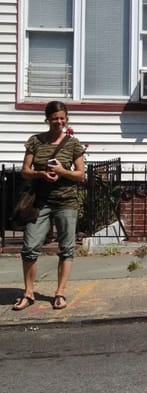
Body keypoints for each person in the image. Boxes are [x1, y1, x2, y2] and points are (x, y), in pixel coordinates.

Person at [12, 101, 86, 311]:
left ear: (66, 119)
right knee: (29, 248)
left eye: (62, 118)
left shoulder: (73, 143)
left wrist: (63, 172)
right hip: (39, 202)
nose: (59, 122)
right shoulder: (35, 141)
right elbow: (25, 171)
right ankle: (28, 293)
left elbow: (80, 175)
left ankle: (60, 293)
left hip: (66, 201)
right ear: (47, 120)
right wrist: (41, 173)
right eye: (55, 119)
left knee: (66, 249)